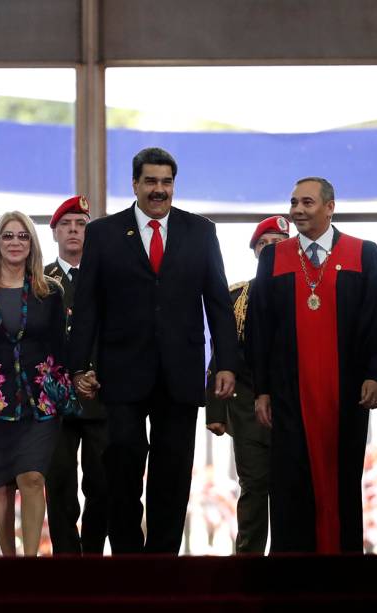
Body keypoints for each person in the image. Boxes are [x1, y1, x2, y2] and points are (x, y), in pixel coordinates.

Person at [68, 147, 238, 554]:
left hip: (180, 372)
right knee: (122, 459)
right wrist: (79, 366)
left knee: (174, 468)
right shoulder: (105, 233)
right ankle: (128, 555)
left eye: (166, 182)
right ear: (135, 184)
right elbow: (88, 305)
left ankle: (162, 559)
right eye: (151, 182)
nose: (159, 190)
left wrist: (226, 362)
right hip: (122, 370)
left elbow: (217, 301)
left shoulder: (201, 232)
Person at [248, 176, 377, 553]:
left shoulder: (363, 254)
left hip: (346, 393)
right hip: (288, 393)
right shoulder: (274, 258)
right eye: (294, 202)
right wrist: (262, 389)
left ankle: (343, 572)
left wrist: (375, 375)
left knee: (343, 478)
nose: (298, 210)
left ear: (330, 207)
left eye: (308, 203)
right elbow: (258, 328)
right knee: (290, 482)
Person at [0, 211, 76, 556]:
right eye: (8, 236)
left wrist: (76, 382)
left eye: (23, 236)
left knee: (33, 478)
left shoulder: (49, 292)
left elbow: (61, 347)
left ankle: (31, 560)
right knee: (3, 485)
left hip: (41, 399)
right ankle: (9, 561)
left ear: (32, 244)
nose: (15, 242)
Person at [205, 215, 290, 554]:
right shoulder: (237, 295)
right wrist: (215, 409)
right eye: (264, 244)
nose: (270, 250)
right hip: (246, 406)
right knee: (254, 487)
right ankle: (248, 563)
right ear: (255, 251)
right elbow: (220, 353)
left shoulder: (306, 293)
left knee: (291, 489)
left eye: (278, 244)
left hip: (292, 406)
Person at [43, 195, 108, 554]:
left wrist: (94, 373)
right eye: (66, 224)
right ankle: (66, 560)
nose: (73, 230)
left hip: (100, 395)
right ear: (54, 233)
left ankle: (94, 556)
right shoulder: (41, 281)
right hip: (57, 401)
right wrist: (69, 376)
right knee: (60, 484)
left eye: (81, 224)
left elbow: (117, 334)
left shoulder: (107, 278)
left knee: (102, 485)